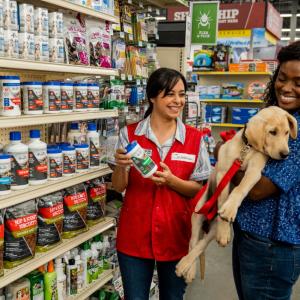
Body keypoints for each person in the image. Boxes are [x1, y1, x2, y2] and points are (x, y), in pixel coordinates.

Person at [112, 68, 211, 300]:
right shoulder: (130, 134)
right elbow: (118, 187)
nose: (178, 101)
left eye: (182, 94)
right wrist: (120, 166)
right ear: (152, 97)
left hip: (176, 234)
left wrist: (172, 181)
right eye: (170, 94)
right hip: (134, 235)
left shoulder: (195, 139)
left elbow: (198, 188)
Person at [232, 41, 300, 299]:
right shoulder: (276, 115)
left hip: (273, 245)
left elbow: (258, 190)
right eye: (282, 78)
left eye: (298, 83)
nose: (286, 88)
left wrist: (225, 156)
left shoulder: (295, 130)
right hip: (252, 237)